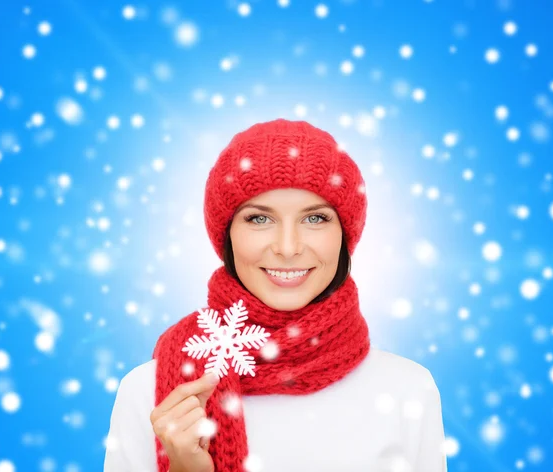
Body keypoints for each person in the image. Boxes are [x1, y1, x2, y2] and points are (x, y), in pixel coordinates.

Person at [103, 118, 447, 472]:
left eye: (315, 219)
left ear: (345, 235)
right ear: (227, 236)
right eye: (258, 219)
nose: (287, 247)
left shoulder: (409, 390)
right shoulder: (151, 394)